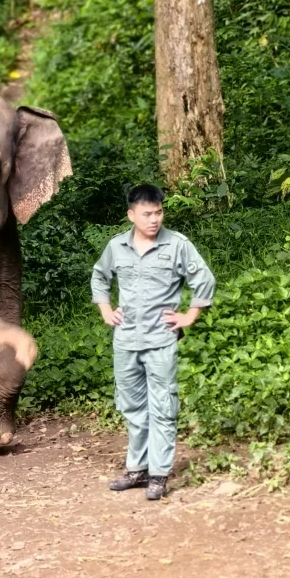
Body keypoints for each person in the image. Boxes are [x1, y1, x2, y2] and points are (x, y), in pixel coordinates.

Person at [91, 183, 215, 500]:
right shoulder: (117, 247)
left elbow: (204, 279)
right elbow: (100, 276)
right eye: (147, 213)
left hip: (161, 339)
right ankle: (137, 469)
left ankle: (158, 474)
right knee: (132, 407)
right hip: (127, 339)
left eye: (158, 212)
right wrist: (106, 309)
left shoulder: (177, 245)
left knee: (162, 406)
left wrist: (189, 316)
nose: (154, 219)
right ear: (131, 215)